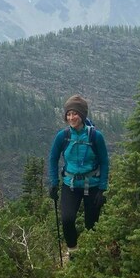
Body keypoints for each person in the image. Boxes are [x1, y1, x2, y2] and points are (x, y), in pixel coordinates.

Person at [48, 95, 109, 255]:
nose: (71, 117)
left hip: (93, 185)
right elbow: (53, 158)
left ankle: (91, 255)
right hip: (71, 184)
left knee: (91, 224)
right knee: (67, 220)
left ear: (82, 115)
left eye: (75, 113)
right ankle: (73, 251)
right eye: (68, 114)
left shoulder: (96, 136)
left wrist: (103, 189)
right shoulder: (63, 136)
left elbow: (104, 162)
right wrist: (54, 182)